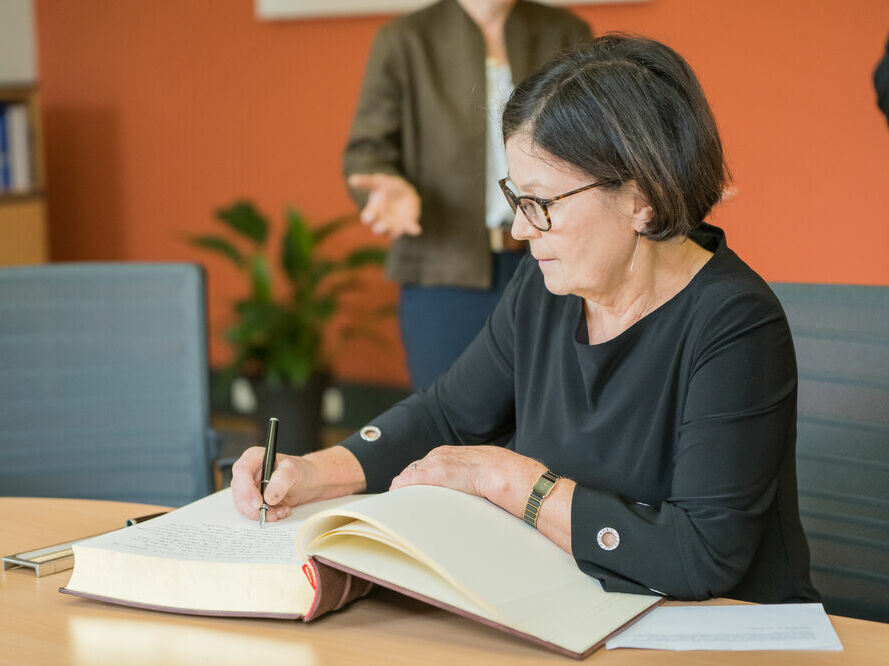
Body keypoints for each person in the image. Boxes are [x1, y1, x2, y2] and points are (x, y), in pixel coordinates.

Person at [233, 34, 820, 604]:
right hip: (574, 612)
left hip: (718, 635)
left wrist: (509, 480)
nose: (519, 229)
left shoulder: (736, 324)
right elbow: (448, 415)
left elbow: (701, 555)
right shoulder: (548, 288)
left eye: (540, 204)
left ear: (642, 201)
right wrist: (314, 471)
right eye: (516, 198)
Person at [343, 0, 590, 389]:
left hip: (551, 260)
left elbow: (598, 138)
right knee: (447, 424)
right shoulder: (405, 39)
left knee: (554, 410)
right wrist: (386, 184)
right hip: (444, 266)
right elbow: (367, 151)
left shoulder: (565, 30)